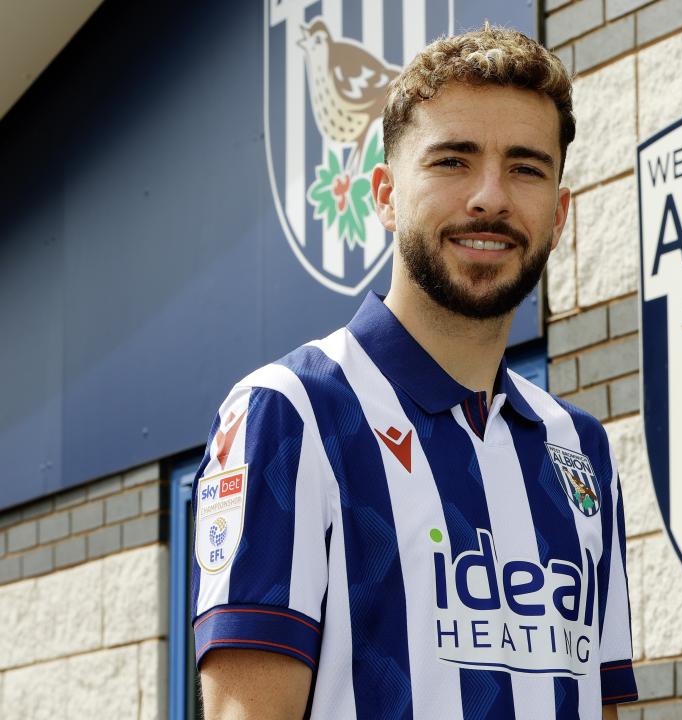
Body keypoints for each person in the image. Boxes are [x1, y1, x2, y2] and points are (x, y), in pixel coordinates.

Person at [192, 25, 638, 720]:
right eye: (453, 161)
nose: (490, 196)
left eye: (525, 167)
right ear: (385, 194)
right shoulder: (291, 413)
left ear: (559, 214)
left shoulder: (580, 449)